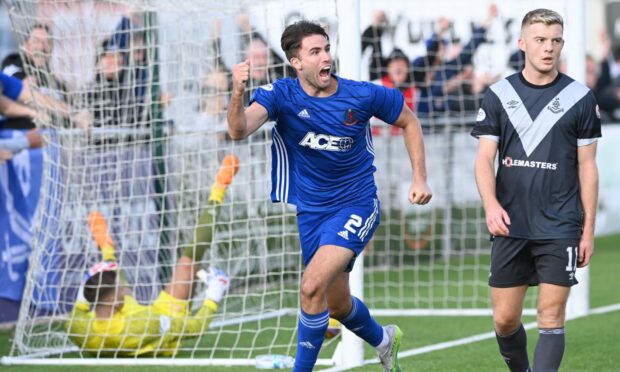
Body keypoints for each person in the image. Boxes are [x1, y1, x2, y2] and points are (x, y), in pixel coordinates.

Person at [227, 20, 432, 371]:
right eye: (315, 52)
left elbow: (409, 121)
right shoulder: (280, 95)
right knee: (337, 305)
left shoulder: (361, 95)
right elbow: (238, 130)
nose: (326, 58)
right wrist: (236, 91)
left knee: (310, 288)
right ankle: (385, 341)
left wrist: (420, 178)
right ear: (297, 62)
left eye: (327, 49)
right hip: (311, 211)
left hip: (356, 203)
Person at [471, 9, 601, 372]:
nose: (549, 48)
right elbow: (484, 160)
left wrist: (587, 229)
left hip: (560, 224)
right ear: (522, 42)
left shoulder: (581, 97)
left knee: (550, 315)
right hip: (510, 223)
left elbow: (588, 167)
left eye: (555, 40)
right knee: (504, 321)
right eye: (541, 40)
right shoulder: (500, 95)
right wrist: (491, 205)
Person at [65, 155, 239, 356]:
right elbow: (196, 327)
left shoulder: (79, 328)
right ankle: (219, 188)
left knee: (111, 271)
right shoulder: (143, 326)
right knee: (189, 258)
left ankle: (107, 248)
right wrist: (214, 293)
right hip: (163, 317)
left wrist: (88, 283)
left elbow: (79, 308)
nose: (125, 291)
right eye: (120, 290)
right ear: (113, 299)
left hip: (125, 315)